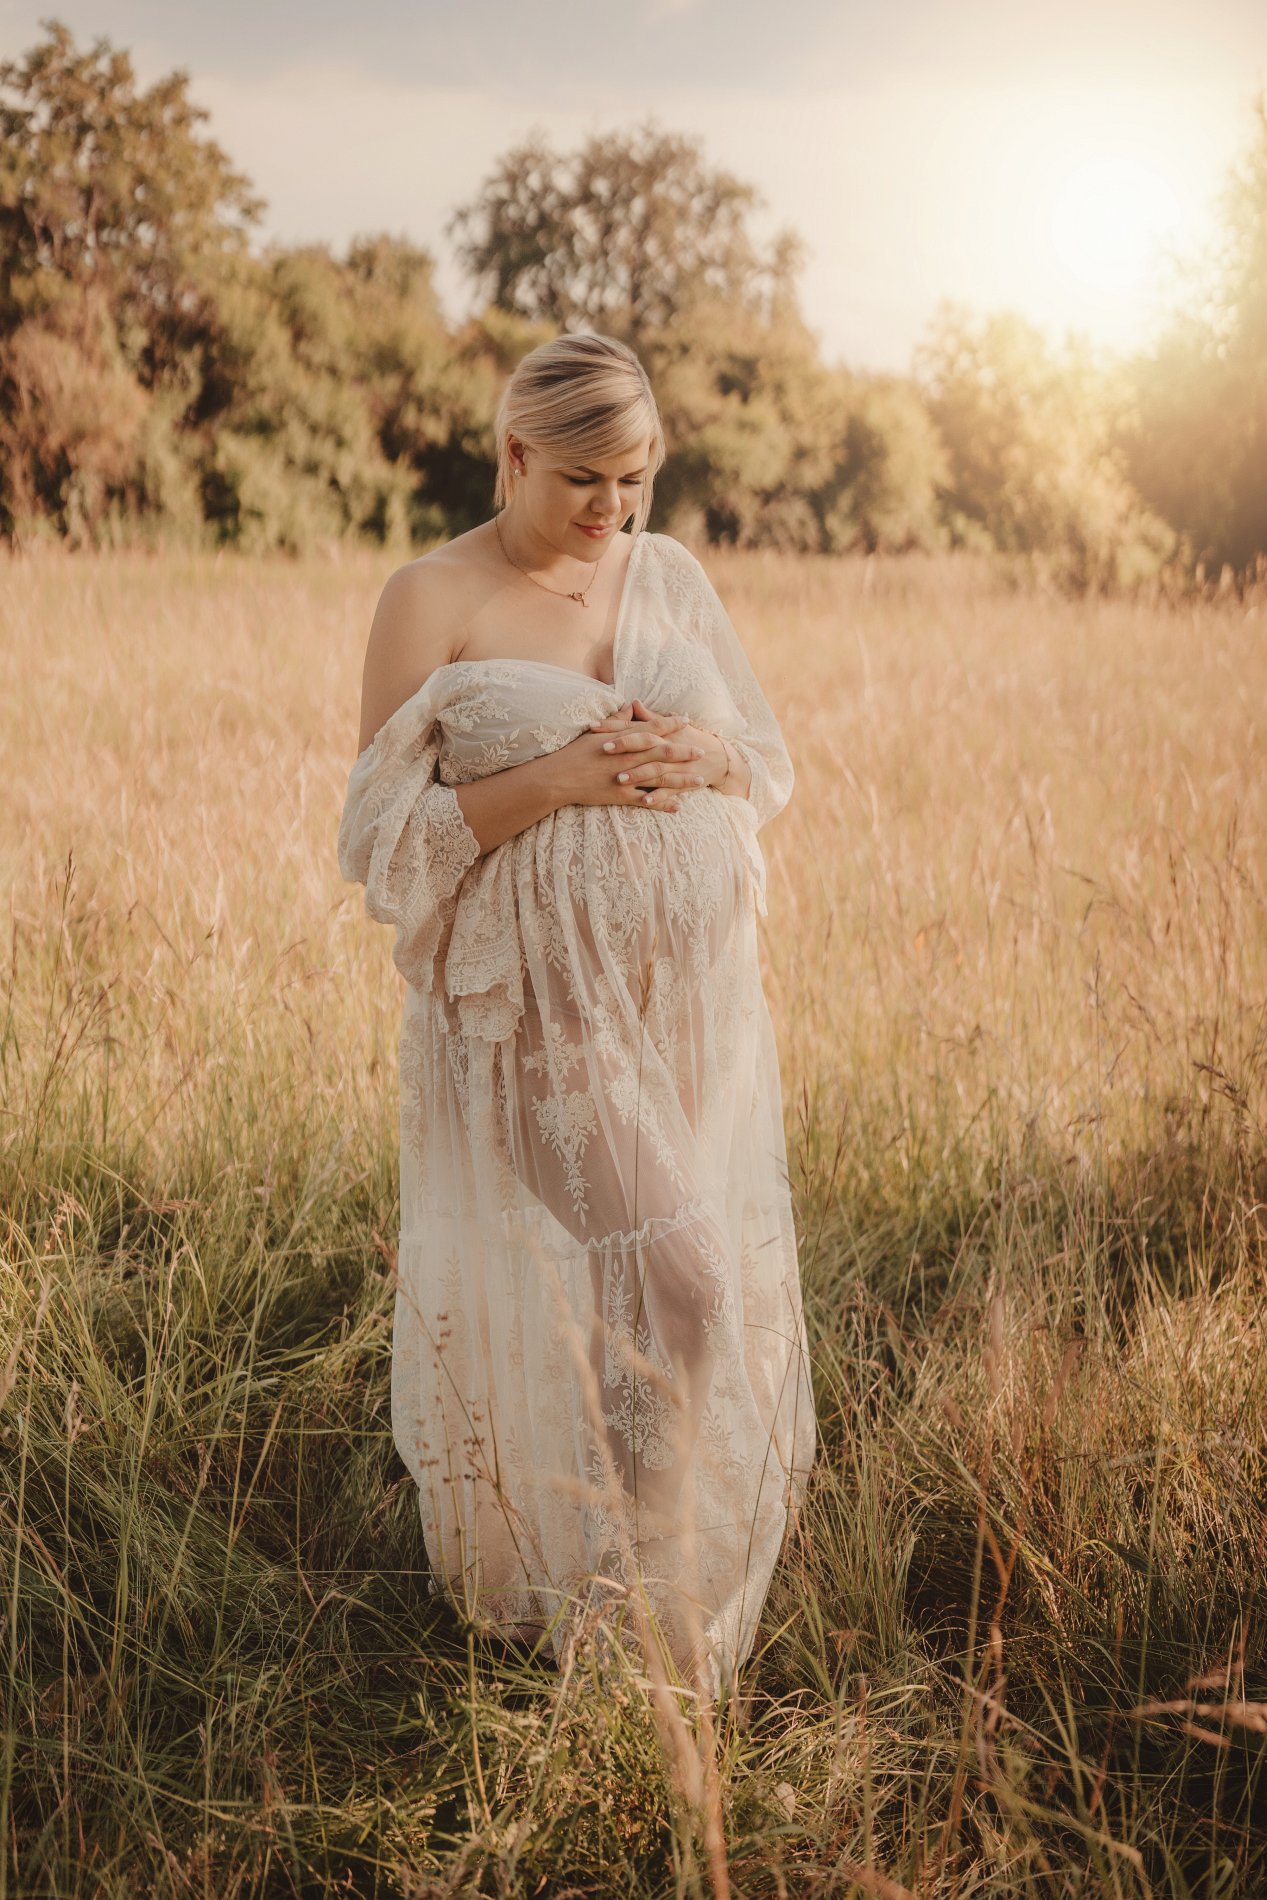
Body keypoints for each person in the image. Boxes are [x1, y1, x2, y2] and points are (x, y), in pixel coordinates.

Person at [337, 331, 816, 1697]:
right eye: (587, 480)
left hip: (686, 1007)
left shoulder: (668, 575)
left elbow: (764, 766)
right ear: (512, 453)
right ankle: (637, 1609)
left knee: (632, 1296)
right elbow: (382, 838)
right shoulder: (431, 597)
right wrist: (560, 776)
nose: (613, 511)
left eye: (638, 477)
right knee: (686, 1282)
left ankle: (598, 1581)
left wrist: (701, 752)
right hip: (534, 1011)